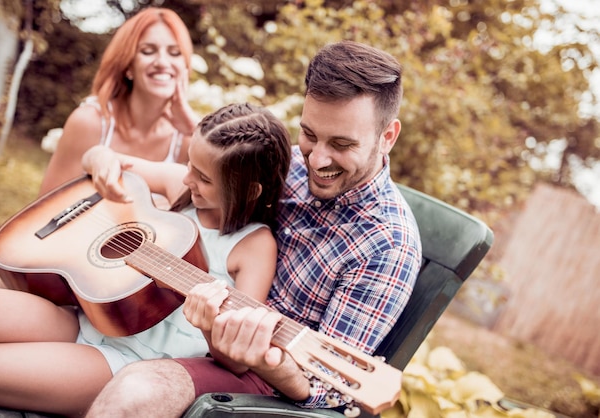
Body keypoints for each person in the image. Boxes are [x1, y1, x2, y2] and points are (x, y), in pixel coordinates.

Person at [85, 40, 423, 418]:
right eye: (310, 134)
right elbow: (199, 182)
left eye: (342, 144)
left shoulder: (388, 245)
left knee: (137, 391)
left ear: (387, 136)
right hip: (191, 318)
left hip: (266, 382)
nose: (318, 159)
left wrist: (265, 358)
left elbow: (324, 390)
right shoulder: (289, 164)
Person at [0, 102, 292, 417]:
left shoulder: (254, 246)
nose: (186, 179)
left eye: (203, 178)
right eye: (189, 165)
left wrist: (209, 325)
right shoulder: (180, 184)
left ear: (250, 191)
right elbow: (98, 156)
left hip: (125, 359)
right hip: (88, 319)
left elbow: (236, 357)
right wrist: (103, 165)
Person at [38, 7, 200, 204]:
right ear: (129, 66)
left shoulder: (188, 140)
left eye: (175, 53)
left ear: (185, 67)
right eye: (148, 51)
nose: (162, 62)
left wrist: (194, 127)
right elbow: (45, 210)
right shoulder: (89, 122)